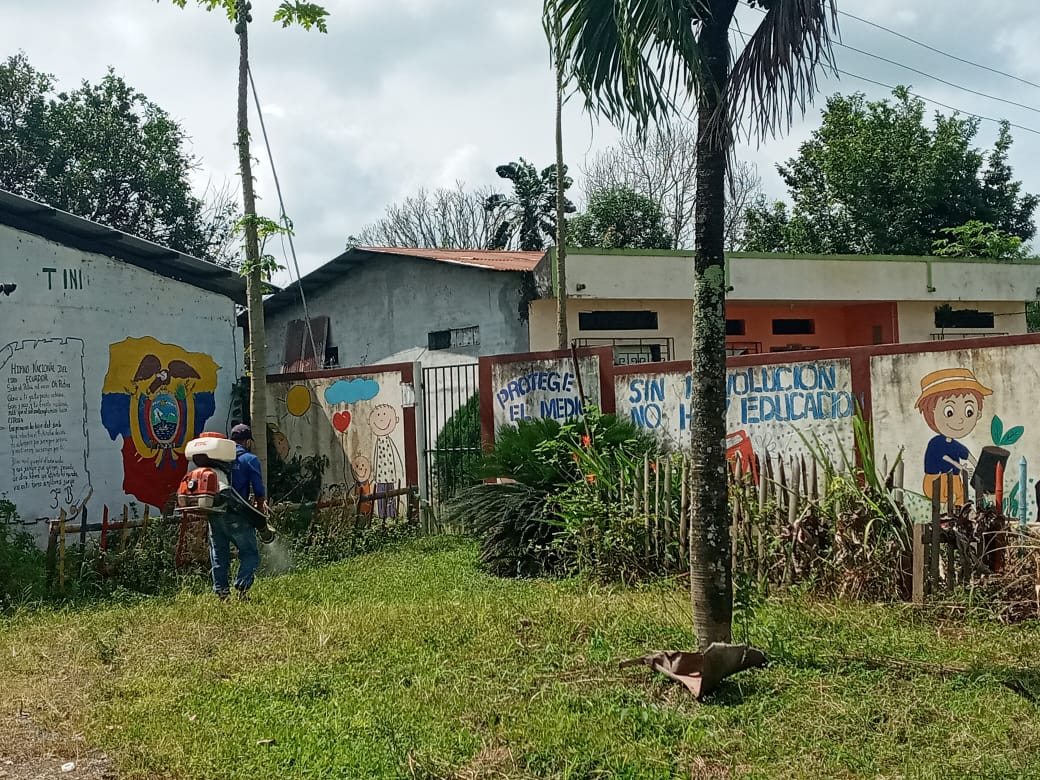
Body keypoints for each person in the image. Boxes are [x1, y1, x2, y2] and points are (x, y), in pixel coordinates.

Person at [208, 423, 267, 601]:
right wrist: (260, 508)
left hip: (215, 512)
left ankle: (222, 594)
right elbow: (258, 489)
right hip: (237, 513)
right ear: (247, 441)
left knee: (219, 554)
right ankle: (242, 589)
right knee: (249, 552)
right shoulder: (249, 459)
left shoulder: (217, 458)